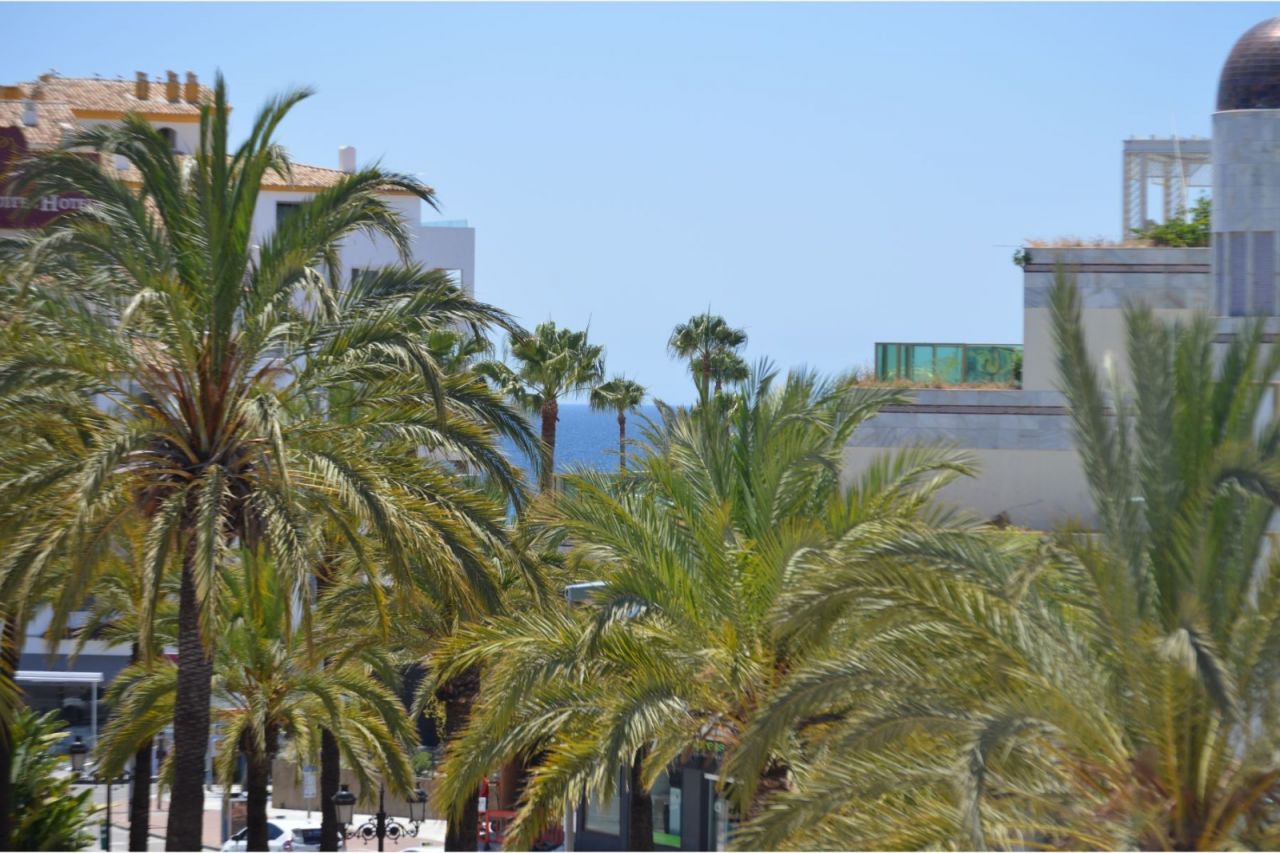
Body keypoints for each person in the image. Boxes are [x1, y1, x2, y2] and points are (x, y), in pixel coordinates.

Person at [154, 735, 168, 809]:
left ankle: (159, 802)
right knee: (160, 783)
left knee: (160, 783)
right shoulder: (160, 749)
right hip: (161, 768)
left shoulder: (161, 749)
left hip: (161, 767)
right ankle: (159, 801)